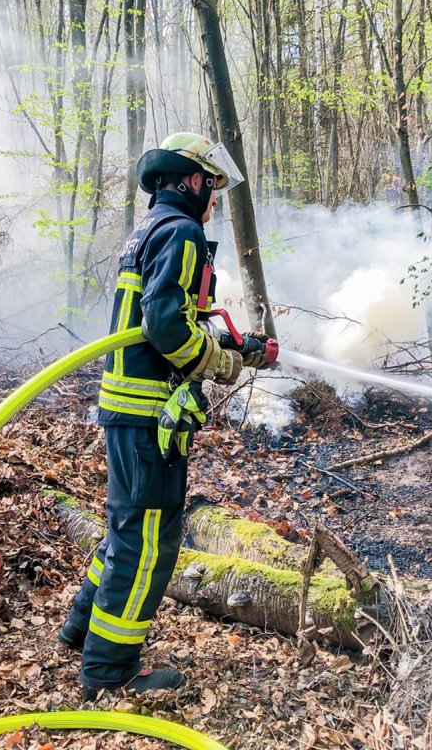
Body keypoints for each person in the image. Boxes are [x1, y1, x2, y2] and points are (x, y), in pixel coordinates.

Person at [58, 133, 271, 698]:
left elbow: (173, 314)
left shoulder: (146, 230)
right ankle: (109, 672)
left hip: (128, 407)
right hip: (148, 412)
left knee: (126, 527)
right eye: (213, 188)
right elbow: (164, 327)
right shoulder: (182, 232)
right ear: (192, 180)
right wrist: (221, 365)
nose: (215, 201)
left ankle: (82, 629)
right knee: (149, 540)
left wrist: (233, 343)